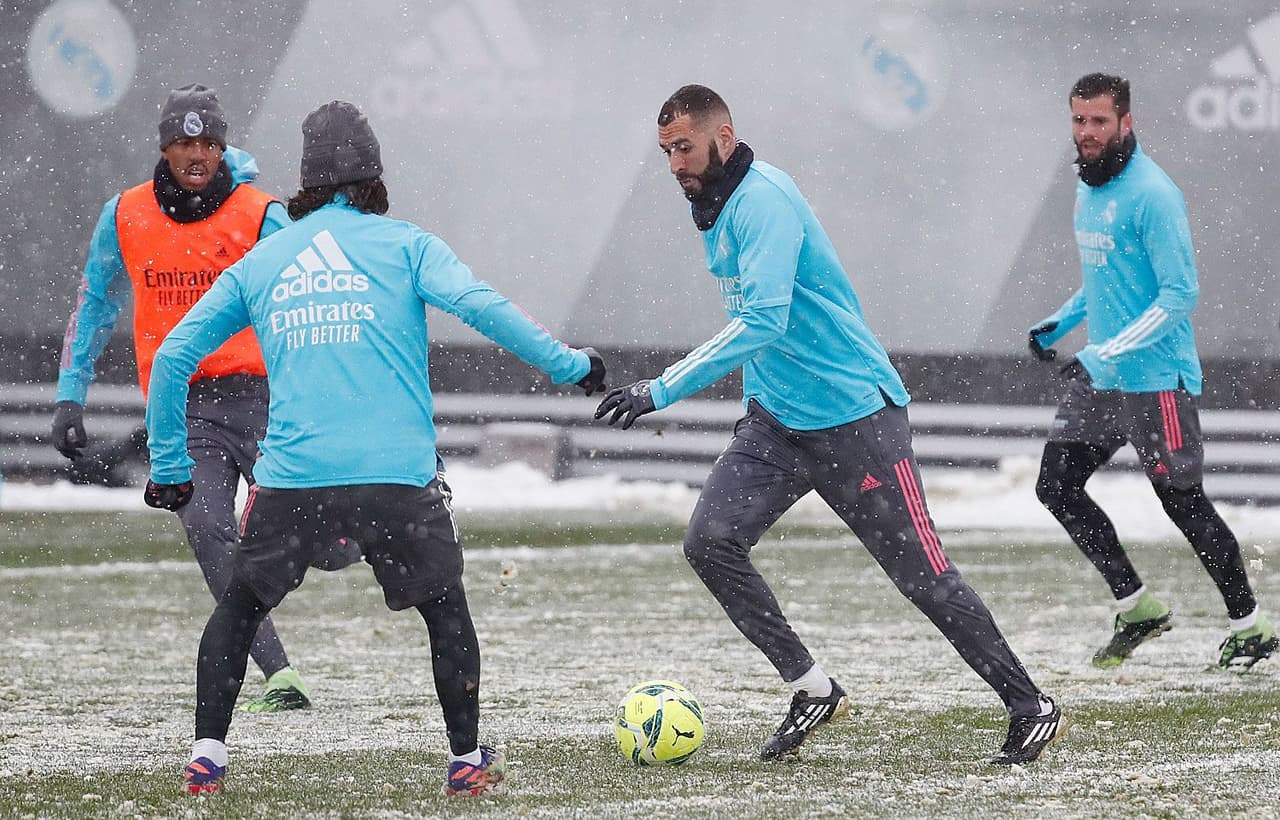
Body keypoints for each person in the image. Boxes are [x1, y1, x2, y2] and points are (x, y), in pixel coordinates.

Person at [144, 100, 606, 796]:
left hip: (295, 481)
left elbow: (175, 354)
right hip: (396, 479)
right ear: (373, 177)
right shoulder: (407, 245)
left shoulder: (264, 261)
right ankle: (465, 762)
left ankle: (207, 756)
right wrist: (572, 366)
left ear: (305, 182)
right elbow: (484, 307)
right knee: (445, 609)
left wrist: (170, 465)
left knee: (240, 607)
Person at [595, 84, 1061, 765]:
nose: (674, 165)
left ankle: (1032, 706)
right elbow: (766, 330)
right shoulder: (717, 204)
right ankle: (813, 689)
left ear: (724, 138)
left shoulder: (764, 202)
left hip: (857, 420)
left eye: (685, 149)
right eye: (666, 151)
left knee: (924, 579)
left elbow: (764, 321)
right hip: (777, 427)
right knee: (710, 543)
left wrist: (661, 387)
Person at [52, 83, 349, 713]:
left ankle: (331, 531)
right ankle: (278, 673)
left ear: (222, 147)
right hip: (182, 407)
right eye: (184, 141)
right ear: (164, 147)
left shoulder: (262, 214)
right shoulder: (125, 215)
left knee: (327, 547)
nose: (196, 153)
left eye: (207, 142)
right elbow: (95, 302)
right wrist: (69, 395)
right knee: (205, 523)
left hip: (268, 399)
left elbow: (309, 300)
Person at [1029, 73, 1276, 671]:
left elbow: (1177, 296)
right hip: (1104, 379)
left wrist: (1105, 353)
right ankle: (1137, 606)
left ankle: (1251, 626)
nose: (1086, 133)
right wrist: (1059, 325)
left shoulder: (1153, 195)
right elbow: (1105, 278)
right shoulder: (1087, 185)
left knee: (1182, 502)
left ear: (1126, 123)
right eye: (1078, 120)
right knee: (1056, 486)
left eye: (1098, 122)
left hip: (1156, 380)